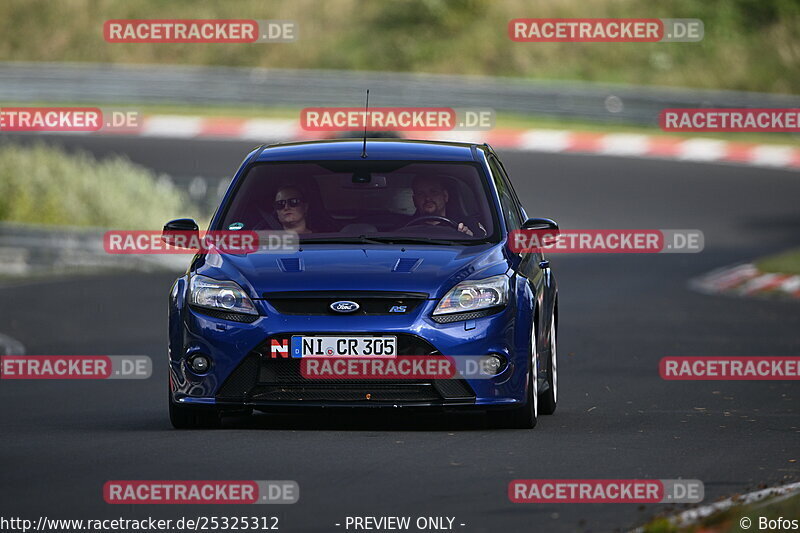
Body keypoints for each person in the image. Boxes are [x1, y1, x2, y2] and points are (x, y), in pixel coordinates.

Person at [410, 175, 485, 236]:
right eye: (421, 194)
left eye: (433, 192)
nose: (427, 198)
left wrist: (468, 237)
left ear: (445, 196)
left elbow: (483, 248)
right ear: (414, 200)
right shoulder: (404, 227)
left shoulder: (468, 225)